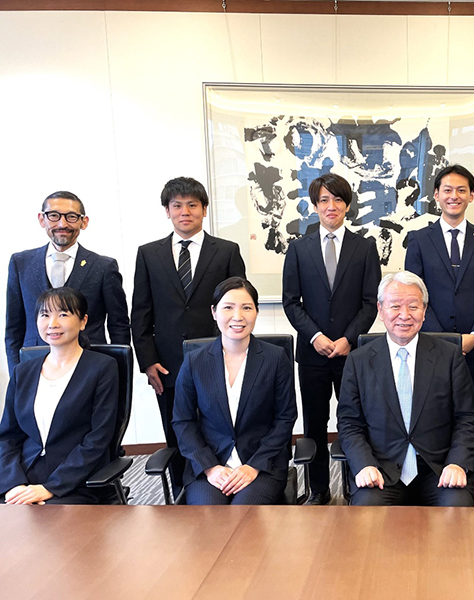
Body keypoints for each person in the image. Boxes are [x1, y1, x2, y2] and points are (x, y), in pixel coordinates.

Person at [131, 177, 246, 493]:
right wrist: (148, 362)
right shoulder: (149, 254)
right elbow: (140, 312)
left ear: (204, 210)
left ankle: (221, 485)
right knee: (177, 430)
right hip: (166, 364)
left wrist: (233, 355)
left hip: (217, 359)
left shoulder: (225, 251)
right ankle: (184, 493)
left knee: (219, 427)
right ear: (167, 211)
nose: (185, 212)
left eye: (192, 205)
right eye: (177, 205)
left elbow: (239, 306)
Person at [337, 271, 474, 506]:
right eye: (395, 306)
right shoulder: (358, 361)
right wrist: (364, 464)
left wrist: (456, 463)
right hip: (381, 470)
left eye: (413, 306)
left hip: (438, 469)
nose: (404, 316)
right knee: (366, 517)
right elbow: (349, 422)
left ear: (424, 311)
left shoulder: (449, 356)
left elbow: (467, 417)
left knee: (457, 513)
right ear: (380, 309)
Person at [282, 173, 381, 505]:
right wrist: (315, 337)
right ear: (314, 206)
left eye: (338, 199)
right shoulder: (298, 249)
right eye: (324, 200)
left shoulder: (365, 248)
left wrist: (347, 339)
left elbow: (371, 302)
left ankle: (357, 485)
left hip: (351, 354)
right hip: (313, 355)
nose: (331, 206)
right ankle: (318, 489)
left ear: (348, 205)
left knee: (355, 421)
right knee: (314, 424)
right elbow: (290, 302)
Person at [172, 277, 297, 505]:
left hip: (261, 466)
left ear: (256, 312)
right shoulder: (195, 362)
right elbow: (183, 422)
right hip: (210, 467)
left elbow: (285, 418)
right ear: (214, 312)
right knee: (210, 516)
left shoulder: (275, 358)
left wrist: (253, 466)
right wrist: (210, 467)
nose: (237, 316)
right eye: (228, 307)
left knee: (244, 517)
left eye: (246, 308)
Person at [0, 288, 118, 504]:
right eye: (45, 315)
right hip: (23, 477)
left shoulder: (102, 368)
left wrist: (50, 487)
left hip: (75, 481)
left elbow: (98, 439)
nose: (52, 323)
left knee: (45, 526)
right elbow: (8, 437)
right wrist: (12, 484)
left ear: (83, 321)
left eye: (63, 314)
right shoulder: (23, 372)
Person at [405, 164, 474, 410]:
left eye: (462, 190)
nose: (454, 196)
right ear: (436, 195)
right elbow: (413, 296)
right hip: (430, 344)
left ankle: (468, 451)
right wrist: (441, 339)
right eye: (447, 190)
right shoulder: (419, 239)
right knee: (432, 413)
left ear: (471, 196)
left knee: (471, 411)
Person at [6, 191, 130, 373]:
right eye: (54, 216)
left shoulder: (104, 266)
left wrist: (118, 373)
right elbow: (14, 328)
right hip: (34, 366)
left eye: (71, 217)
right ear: (42, 219)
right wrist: (16, 374)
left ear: (84, 222)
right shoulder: (21, 263)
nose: (62, 224)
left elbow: (119, 326)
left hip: (89, 367)